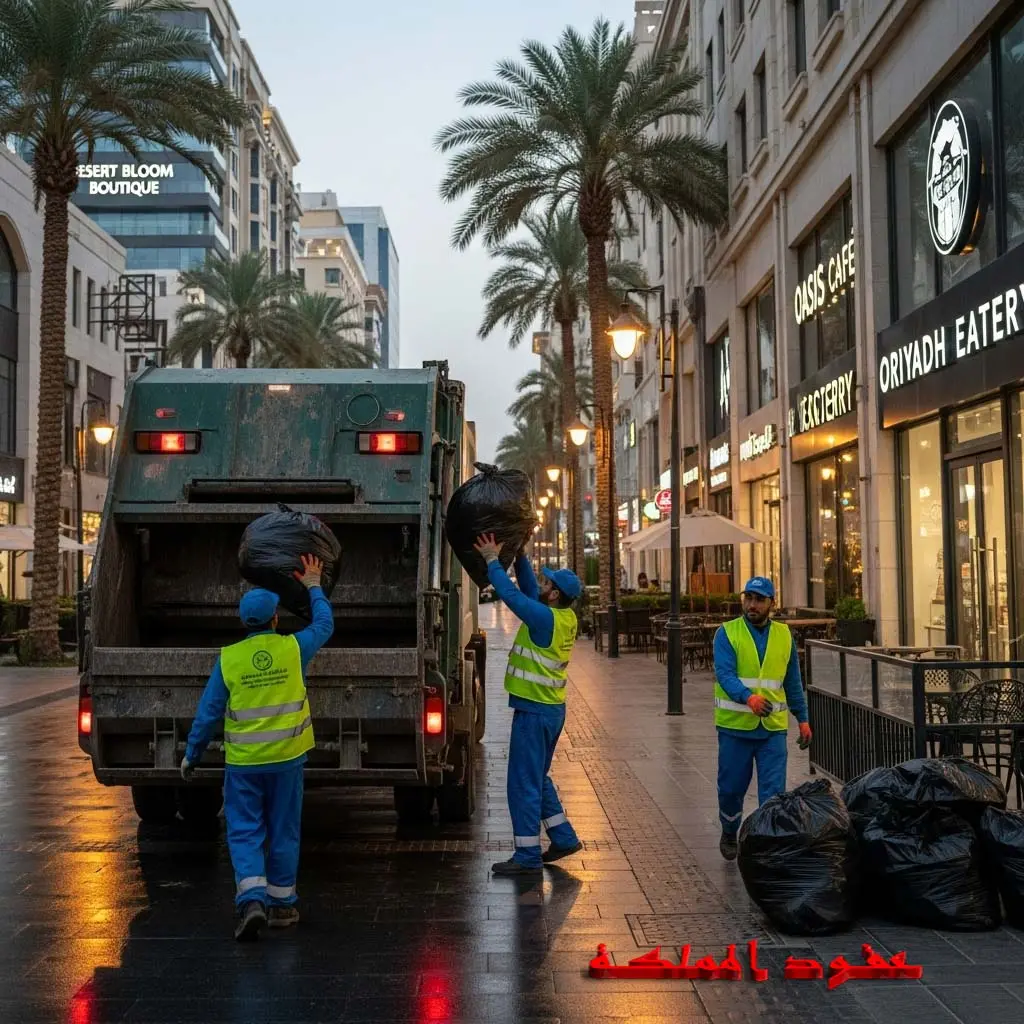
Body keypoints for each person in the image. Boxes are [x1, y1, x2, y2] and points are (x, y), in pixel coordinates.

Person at [180, 554, 334, 940]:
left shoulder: (229, 659)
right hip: (286, 761)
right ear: (276, 619)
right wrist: (313, 583)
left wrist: (192, 754)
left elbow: (209, 711)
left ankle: (252, 900)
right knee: (284, 831)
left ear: (244, 622)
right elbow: (325, 624)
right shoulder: (293, 649)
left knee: (245, 831)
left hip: (244, 765)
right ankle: (283, 906)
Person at [472, 532, 583, 876]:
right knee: (537, 776)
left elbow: (510, 594)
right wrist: (519, 551)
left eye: (546, 580)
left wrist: (492, 559)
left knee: (522, 782)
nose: (541, 581)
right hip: (550, 710)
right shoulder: (562, 617)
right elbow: (529, 589)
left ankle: (527, 856)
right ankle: (563, 837)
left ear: (554, 594)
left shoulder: (544, 618)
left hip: (534, 712)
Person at [712, 576, 812, 861]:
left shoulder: (784, 635)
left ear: (772, 603)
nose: (752, 605)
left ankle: (765, 844)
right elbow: (725, 675)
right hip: (735, 728)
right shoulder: (727, 633)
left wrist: (802, 718)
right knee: (731, 789)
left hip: (772, 731)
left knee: (773, 793)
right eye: (749, 598)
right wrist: (749, 698)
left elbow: (793, 680)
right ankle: (730, 830)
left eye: (759, 599)